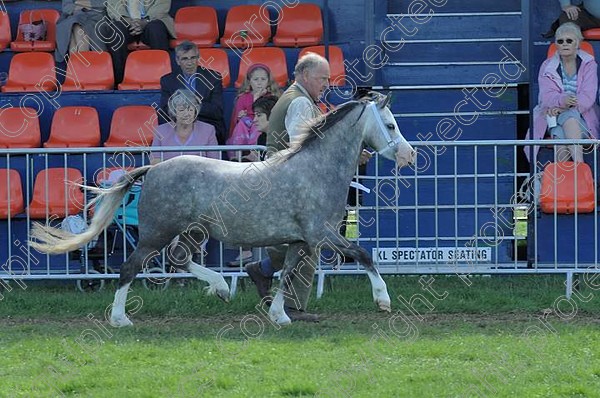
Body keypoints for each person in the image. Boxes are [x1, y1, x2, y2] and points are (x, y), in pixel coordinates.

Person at [244, 53, 333, 323]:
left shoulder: (294, 97)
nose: (327, 83)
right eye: (322, 78)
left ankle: (264, 270)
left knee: (300, 241)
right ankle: (291, 306)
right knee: (306, 242)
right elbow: (301, 148)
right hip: (288, 182)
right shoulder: (302, 103)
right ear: (305, 75)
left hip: (278, 177)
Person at [527, 22, 599, 163]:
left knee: (560, 135)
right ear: (556, 45)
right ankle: (579, 167)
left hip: (583, 119)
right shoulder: (547, 66)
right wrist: (562, 101)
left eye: (569, 41)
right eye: (560, 41)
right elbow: (547, 96)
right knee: (564, 121)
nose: (564, 44)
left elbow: (588, 96)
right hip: (552, 117)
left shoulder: (589, 64)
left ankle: (562, 182)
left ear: (577, 43)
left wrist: (563, 107)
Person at [227, 95, 279, 267]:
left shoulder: (281, 138)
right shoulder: (262, 139)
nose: (254, 119)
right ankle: (251, 256)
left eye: (259, 115)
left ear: (272, 116)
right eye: (254, 115)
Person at [160, 41, 226, 145]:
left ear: (198, 58)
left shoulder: (213, 78)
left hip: (206, 122)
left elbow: (217, 111)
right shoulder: (168, 80)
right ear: (177, 61)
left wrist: (195, 105)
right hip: (179, 124)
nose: (190, 62)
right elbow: (164, 110)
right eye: (185, 59)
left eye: (193, 58)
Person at [101, 0, 175, 84]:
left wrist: (145, 21)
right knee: (116, 30)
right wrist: (127, 21)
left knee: (156, 29)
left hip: (152, 20)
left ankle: (162, 79)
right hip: (126, 22)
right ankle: (120, 80)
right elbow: (112, 5)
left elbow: (162, 6)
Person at [226, 63, 281, 160]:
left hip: (261, 126)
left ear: (268, 81)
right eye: (256, 80)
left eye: (263, 79)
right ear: (249, 82)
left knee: (259, 125)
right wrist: (240, 116)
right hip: (246, 126)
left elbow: (269, 116)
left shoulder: (272, 97)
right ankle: (236, 154)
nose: (259, 83)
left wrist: (257, 99)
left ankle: (254, 153)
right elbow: (236, 119)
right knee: (242, 124)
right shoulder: (243, 98)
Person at [150, 89, 219, 164]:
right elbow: (155, 162)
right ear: (174, 112)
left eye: (191, 110)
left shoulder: (208, 130)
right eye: (182, 110)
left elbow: (215, 162)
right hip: (170, 174)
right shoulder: (161, 131)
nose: (187, 114)